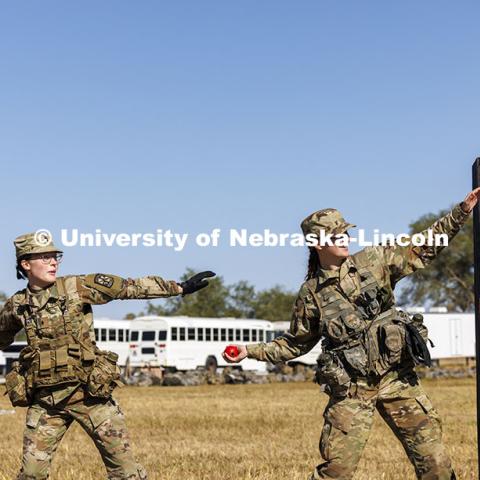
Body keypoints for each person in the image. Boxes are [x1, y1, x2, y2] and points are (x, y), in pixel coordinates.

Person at [224, 188, 480, 480]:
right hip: (352, 391)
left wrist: (461, 212)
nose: (344, 238)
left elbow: (424, 246)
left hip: (398, 381)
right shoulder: (311, 295)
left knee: (435, 464)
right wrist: (249, 351)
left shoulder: (374, 260)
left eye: (345, 233)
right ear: (316, 243)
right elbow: (294, 344)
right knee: (336, 471)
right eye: (336, 235)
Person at [0, 231, 215, 480]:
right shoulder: (17, 305)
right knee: (31, 476)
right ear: (26, 264)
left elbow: (128, 287)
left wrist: (179, 288)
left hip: (90, 396)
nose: (53, 262)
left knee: (125, 473)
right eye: (45, 257)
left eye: (55, 256)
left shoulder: (77, 287)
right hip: (47, 402)